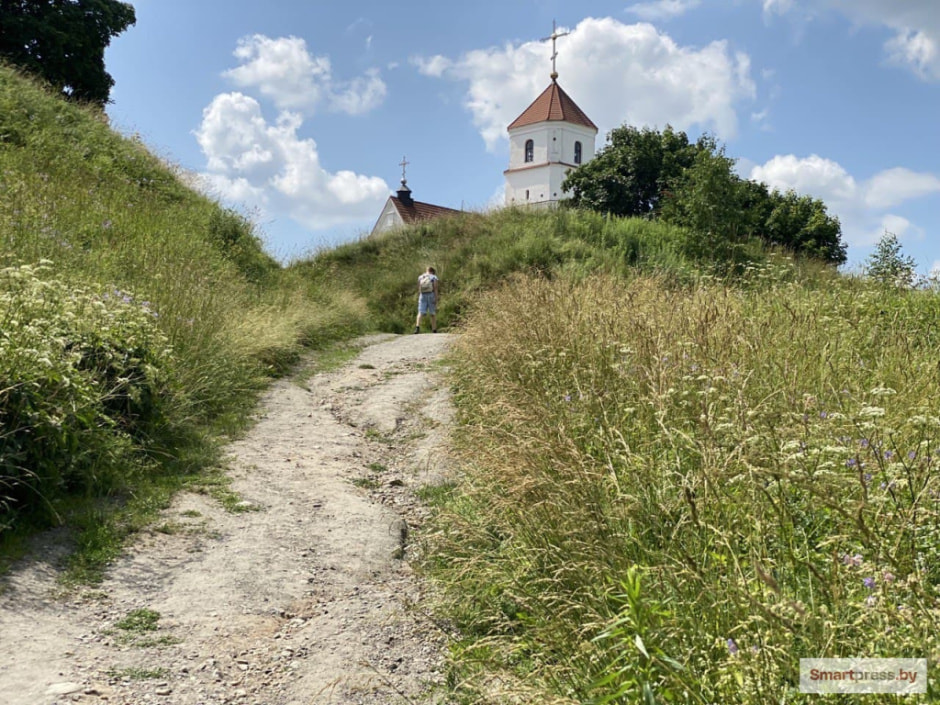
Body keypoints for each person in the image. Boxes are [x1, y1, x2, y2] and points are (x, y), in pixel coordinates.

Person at [414, 266, 439, 334]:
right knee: (432, 313)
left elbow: (419, 288)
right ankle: (434, 329)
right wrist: (436, 299)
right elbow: (435, 288)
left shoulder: (421, 277)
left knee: (420, 312)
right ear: (433, 272)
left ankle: (417, 327)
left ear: (426, 270)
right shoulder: (434, 277)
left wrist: (420, 296)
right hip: (431, 295)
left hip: (422, 295)